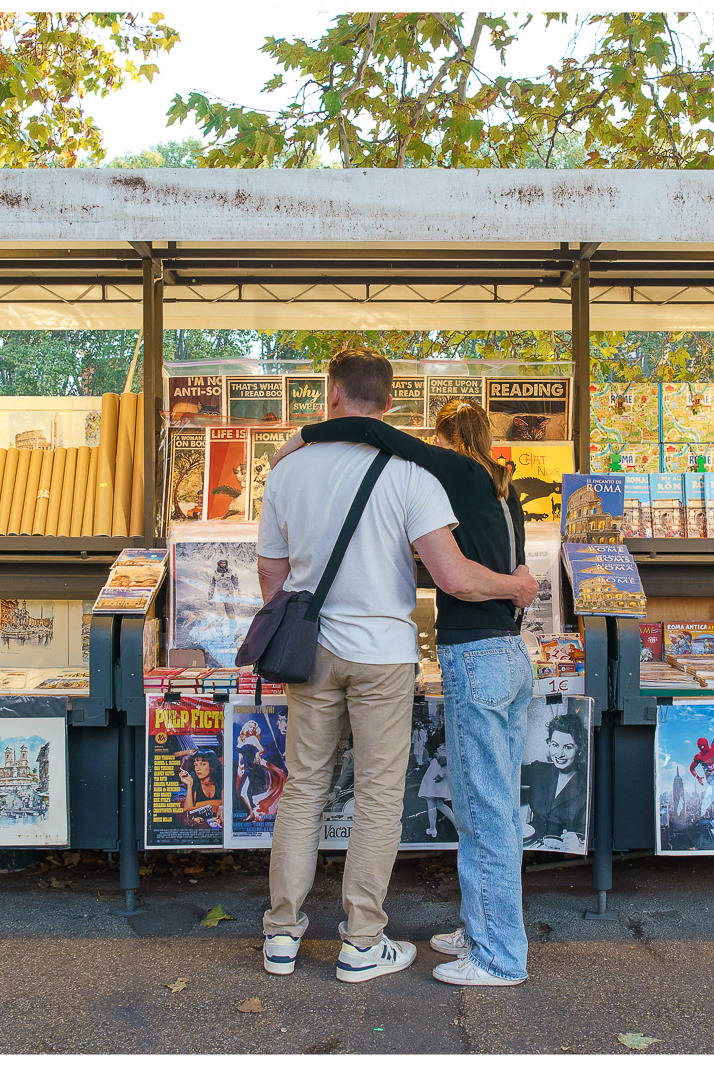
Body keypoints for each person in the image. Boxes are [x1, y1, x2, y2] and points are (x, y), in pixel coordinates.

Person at [256, 346, 537, 985]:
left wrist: (296, 612)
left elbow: (272, 572)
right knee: (380, 795)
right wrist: (516, 587)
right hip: (384, 652)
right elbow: (451, 575)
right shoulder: (410, 475)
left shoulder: (286, 472)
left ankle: (281, 936)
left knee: (303, 787)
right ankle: (361, 943)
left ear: (332, 395)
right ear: (391, 404)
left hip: (313, 651)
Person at [521, 713, 589, 852]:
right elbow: (508, 773)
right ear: (549, 744)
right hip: (531, 847)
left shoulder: (585, 783)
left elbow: (585, 829)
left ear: (579, 750)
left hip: (564, 853)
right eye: (555, 745)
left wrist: (578, 839)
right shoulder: (538, 769)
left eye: (568, 747)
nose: (559, 753)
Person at [417, 734, 455, 838]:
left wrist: (442, 774)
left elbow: (448, 763)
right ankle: (433, 829)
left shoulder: (449, 746)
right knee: (434, 803)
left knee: (437, 803)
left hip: (439, 774)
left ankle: (455, 826)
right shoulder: (446, 745)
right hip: (434, 772)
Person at [176, 748, 223, 829]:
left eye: (202, 764)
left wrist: (198, 805)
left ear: (212, 765)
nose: (198, 769)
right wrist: (189, 785)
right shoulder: (194, 779)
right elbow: (188, 809)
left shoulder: (220, 780)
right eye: (195, 765)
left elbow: (227, 803)